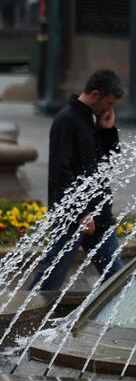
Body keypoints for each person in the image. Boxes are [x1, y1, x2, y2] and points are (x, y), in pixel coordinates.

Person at [32, 69, 126, 291]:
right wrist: (80, 213)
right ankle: (23, 317)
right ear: (95, 94)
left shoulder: (90, 120)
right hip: (75, 216)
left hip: (98, 216)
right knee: (52, 275)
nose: (109, 108)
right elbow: (61, 172)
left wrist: (108, 131)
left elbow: (108, 165)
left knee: (116, 278)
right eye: (108, 102)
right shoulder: (67, 121)